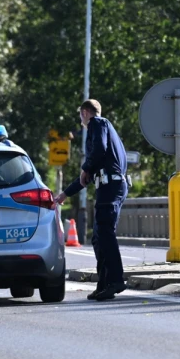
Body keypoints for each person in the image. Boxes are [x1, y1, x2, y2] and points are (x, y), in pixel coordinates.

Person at [54, 100, 128, 302]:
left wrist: (85, 166)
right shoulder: (104, 128)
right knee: (98, 237)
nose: (81, 121)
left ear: (85, 112)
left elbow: (98, 152)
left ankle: (115, 280)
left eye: (81, 117)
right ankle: (103, 284)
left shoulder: (98, 123)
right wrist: (65, 195)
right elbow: (85, 178)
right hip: (108, 185)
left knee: (105, 233)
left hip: (110, 186)